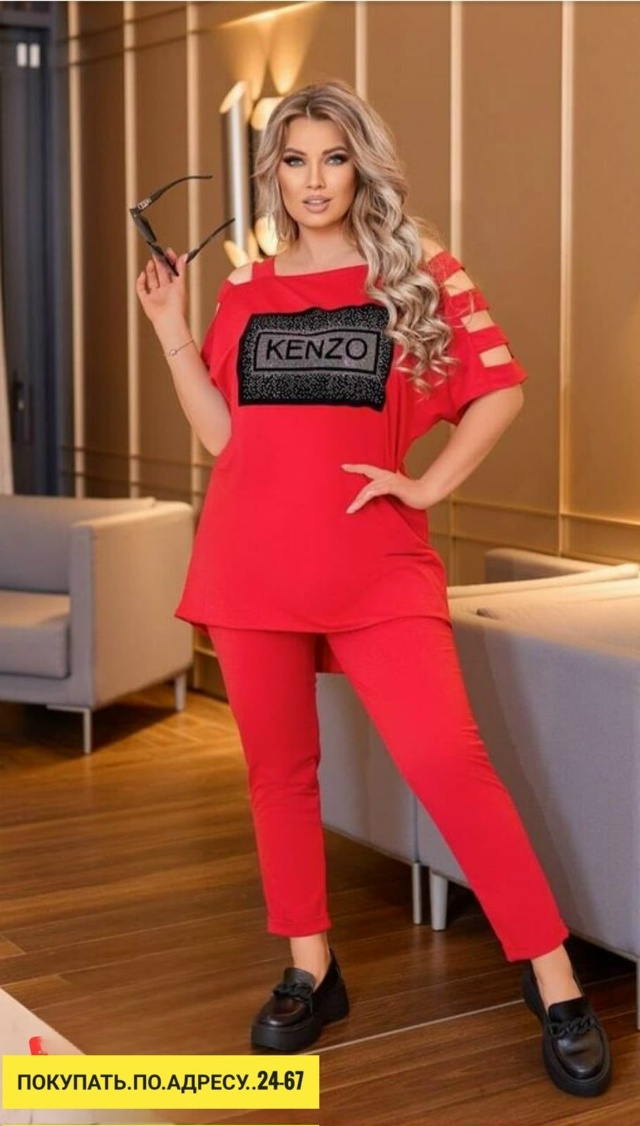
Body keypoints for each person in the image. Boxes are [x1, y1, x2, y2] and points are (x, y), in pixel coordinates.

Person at [135, 80, 611, 1098]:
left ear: (361, 169)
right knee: (279, 774)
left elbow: (500, 389)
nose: (314, 180)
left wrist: (427, 485)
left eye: (333, 158)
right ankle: (311, 969)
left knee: (448, 761)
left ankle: (553, 979)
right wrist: (172, 325)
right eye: (295, 160)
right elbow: (223, 436)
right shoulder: (245, 289)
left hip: (377, 564)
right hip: (249, 563)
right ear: (273, 173)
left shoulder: (419, 271)